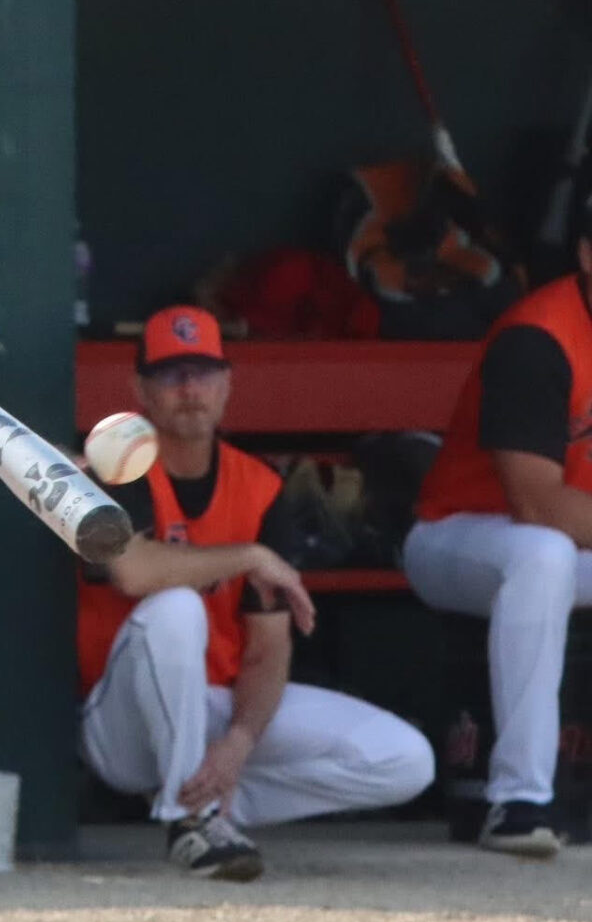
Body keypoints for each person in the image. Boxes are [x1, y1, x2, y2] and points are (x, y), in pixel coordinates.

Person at [77, 306, 434, 881]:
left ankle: (213, 801)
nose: (189, 389)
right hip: (120, 720)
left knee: (404, 759)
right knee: (174, 608)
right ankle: (186, 820)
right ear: (140, 389)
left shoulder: (260, 487)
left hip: (216, 705)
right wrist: (246, 556)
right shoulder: (114, 468)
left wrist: (239, 742)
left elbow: (269, 649)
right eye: (171, 375)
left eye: (202, 373)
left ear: (227, 384)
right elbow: (133, 574)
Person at [403, 195, 592, 858]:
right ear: (588, 256)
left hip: (577, 542)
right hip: (460, 537)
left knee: (552, 557)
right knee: (542, 555)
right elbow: (537, 505)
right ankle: (519, 801)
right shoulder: (537, 338)